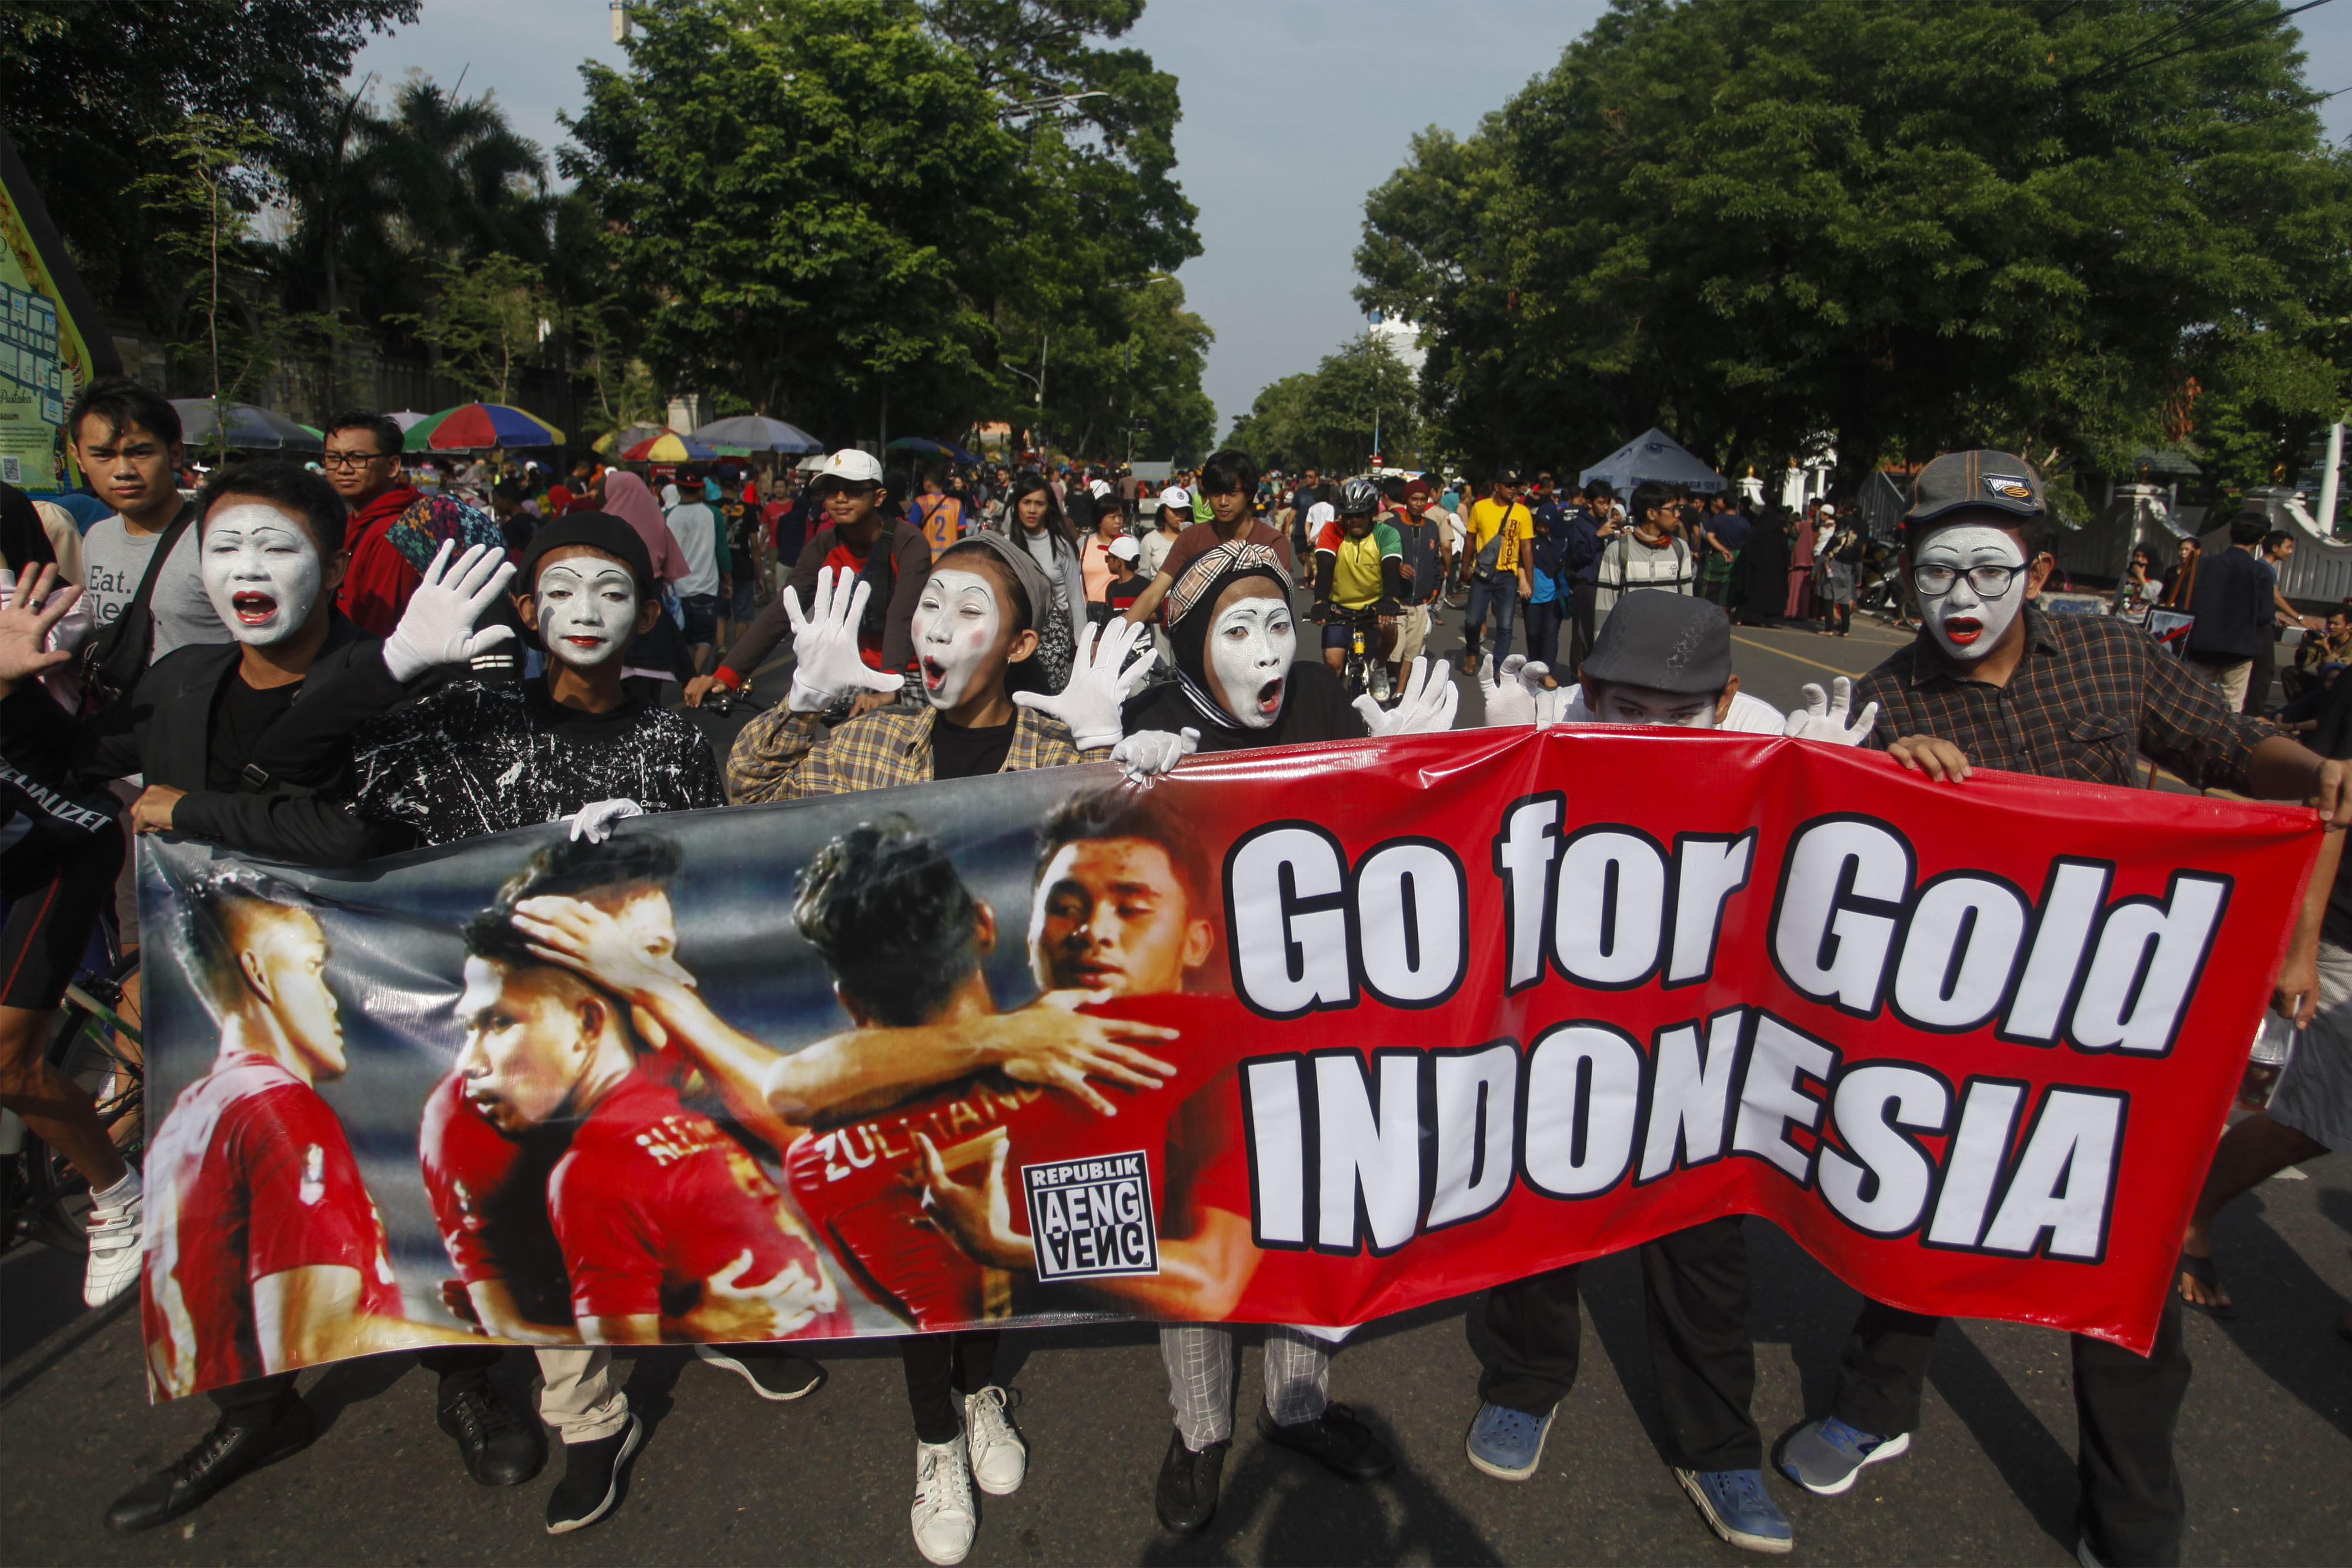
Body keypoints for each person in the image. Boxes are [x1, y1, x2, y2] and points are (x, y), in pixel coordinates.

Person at [1782, 449, 2352, 1568]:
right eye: (1936, 568)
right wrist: (1883, 772)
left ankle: (2133, 1518)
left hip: (2117, 1030)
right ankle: (1873, 1406)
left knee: (2118, 1263)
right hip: (1950, 1027)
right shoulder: (1885, 694)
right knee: (1917, 1213)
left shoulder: (2108, 655)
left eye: (1989, 568)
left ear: (2039, 574)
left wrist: (2314, 774)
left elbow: (2231, 747)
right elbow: (1821, 848)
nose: (1962, 596)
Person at [123, 870, 497, 1533]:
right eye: (318, 966)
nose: (335, 996)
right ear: (259, 974)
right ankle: (462, 1385)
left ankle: (260, 1417)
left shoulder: (197, 1105)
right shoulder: (283, 1114)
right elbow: (316, 1318)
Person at [2174, 664, 2352, 1342]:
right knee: (2311, 1115)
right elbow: (2328, 800)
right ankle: (2191, 1212)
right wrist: (2300, 943)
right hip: (2343, 929)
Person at [683, 449, 928, 716]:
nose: (841, 498)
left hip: (907, 671)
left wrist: (889, 682)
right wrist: (726, 676)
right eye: (832, 490)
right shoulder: (823, 546)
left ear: (879, 497)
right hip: (849, 671)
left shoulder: (908, 542)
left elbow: (902, 614)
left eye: (854, 490)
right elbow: (782, 610)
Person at [69, 378, 226, 680]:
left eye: (140, 453)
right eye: (103, 455)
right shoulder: (96, 538)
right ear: (79, 458)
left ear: (175, 453)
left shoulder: (216, 540)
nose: (123, 471)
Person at [322, 412, 512, 650]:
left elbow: (380, 629)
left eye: (357, 458)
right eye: (333, 458)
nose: (343, 469)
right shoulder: (356, 521)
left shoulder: (394, 531)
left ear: (392, 466)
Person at [1120, 449, 1298, 629]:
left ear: (1249, 494)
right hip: (1196, 649)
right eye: (1215, 493)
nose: (1223, 502)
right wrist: (1116, 634)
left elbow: (1279, 607)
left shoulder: (1273, 542)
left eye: (1233, 493)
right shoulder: (1191, 538)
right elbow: (1153, 594)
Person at [2183, 514, 2286, 712]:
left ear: (2230, 534)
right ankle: (2222, 741)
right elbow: (2265, 615)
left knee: (2196, 700)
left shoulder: (2203, 565)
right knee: (2231, 703)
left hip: (2202, 644)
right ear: (2261, 539)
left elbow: (2184, 603)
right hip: (2240, 647)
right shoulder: (2260, 572)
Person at [1310, 477, 1404, 681]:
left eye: (1360, 515)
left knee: (1390, 629)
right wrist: (1320, 602)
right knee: (1334, 665)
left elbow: (1390, 569)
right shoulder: (1332, 530)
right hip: (1339, 605)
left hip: (1374, 605)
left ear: (1372, 513)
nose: (1353, 520)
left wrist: (1392, 599)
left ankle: (1379, 666)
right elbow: (1324, 569)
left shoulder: (1387, 534)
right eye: (1348, 515)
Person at [1595, 480, 1696, 630]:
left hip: (1669, 647)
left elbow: (1687, 603)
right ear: (1651, 513)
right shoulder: (1618, 551)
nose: (1678, 514)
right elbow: (1604, 609)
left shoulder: (1680, 549)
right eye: (1673, 509)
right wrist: (1603, 650)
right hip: (1629, 648)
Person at [1461, 470, 1533, 671]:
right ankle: (1471, 653)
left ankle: (1499, 665)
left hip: (1508, 576)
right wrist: (1465, 568)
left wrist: (1529, 577)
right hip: (1482, 574)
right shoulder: (1480, 508)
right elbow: (1470, 539)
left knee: (1506, 624)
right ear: (1497, 487)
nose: (1513, 489)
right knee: (1473, 620)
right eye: (1508, 485)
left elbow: (1526, 547)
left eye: (1515, 486)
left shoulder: (1522, 512)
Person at [662, 467, 730, 674]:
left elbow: (662, 553)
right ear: (701, 488)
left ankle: (690, 677)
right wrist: (729, 581)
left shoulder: (667, 515)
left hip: (678, 589)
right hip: (707, 587)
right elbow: (722, 551)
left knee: (687, 639)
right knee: (705, 639)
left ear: (679, 488)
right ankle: (693, 678)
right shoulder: (713, 514)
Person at [1816, 510, 1864, 637]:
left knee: (1828, 600)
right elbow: (1859, 564)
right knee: (1844, 602)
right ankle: (1845, 630)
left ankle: (1829, 628)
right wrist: (1859, 579)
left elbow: (1823, 556)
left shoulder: (1836, 539)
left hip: (1831, 572)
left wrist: (1815, 570)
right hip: (1847, 575)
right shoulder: (1856, 543)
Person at [1702, 495, 1750, 610]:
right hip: (1737, 557)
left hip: (1719, 555)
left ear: (1724, 504)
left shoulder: (1717, 520)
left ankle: (1710, 609)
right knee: (1731, 585)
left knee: (1712, 585)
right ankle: (1727, 610)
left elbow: (1710, 537)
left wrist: (1723, 549)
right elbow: (1748, 541)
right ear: (1737, 505)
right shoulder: (1744, 522)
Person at [913, 468, 967, 559]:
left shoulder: (921, 502)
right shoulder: (956, 504)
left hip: (926, 558)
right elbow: (962, 535)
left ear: (927, 484)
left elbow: (912, 530)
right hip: (949, 559)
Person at [1100, 534, 1147, 618]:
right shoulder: (1112, 587)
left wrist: (1130, 615)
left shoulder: (1144, 585)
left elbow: (1157, 615)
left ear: (1118, 561)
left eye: (1108, 558)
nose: (1107, 562)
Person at [2112, 544, 2159, 626]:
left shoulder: (2156, 578)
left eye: (2144, 557)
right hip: (2122, 618)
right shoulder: (2127, 573)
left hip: (2142, 621)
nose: (2139, 560)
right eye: (2137, 556)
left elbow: (2151, 596)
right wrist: (2112, 613)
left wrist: (2140, 576)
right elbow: (2119, 595)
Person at [1785, 504, 1817, 621]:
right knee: (1804, 593)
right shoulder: (1809, 541)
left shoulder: (1798, 544)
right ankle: (1802, 613)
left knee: (1794, 590)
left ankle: (1792, 611)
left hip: (1797, 568)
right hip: (1808, 568)